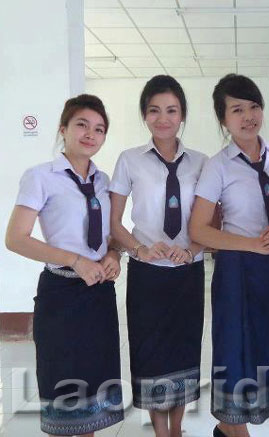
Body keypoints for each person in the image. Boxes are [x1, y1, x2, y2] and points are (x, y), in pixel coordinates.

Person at [189, 73, 269, 437]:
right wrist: (251, 243)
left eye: (254, 106)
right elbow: (199, 229)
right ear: (224, 120)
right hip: (236, 268)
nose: (248, 115)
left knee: (267, 344)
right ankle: (233, 428)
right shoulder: (218, 165)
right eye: (237, 109)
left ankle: (231, 428)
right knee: (234, 349)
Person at [5, 94, 123, 436]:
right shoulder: (41, 176)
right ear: (64, 129)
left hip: (99, 294)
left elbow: (110, 235)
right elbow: (16, 238)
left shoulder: (104, 181)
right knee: (64, 388)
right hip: (60, 293)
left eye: (99, 129)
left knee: (95, 388)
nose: (90, 134)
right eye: (82, 125)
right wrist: (75, 260)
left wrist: (113, 255)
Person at [109, 75, 207, 437]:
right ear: (145, 115)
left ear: (182, 115)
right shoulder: (129, 160)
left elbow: (212, 219)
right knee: (149, 350)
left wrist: (192, 249)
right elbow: (114, 221)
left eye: (171, 110)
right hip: (147, 272)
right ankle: (160, 430)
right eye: (154, 111)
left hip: (188, 272)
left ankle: (177, 428)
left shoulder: (201, 162)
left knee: (183, 349)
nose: (163, 118)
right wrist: (140, 249)